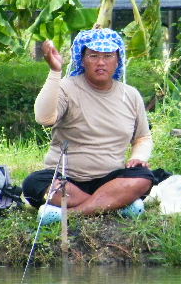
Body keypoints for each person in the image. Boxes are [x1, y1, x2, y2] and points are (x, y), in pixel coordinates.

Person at [22, 28, 156, 224]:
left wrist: (138, 157)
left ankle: (69, 214)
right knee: (34, 184)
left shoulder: (130, 95)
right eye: (93, 56)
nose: (101, 62)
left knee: (144, 177)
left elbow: (143, 138)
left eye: (108, 56)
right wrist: (55, 72)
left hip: (112, 181)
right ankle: (118, 205)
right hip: (67, 181)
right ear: (82, 59)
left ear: (118, 60)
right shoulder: (67, 87)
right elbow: (44, 118)